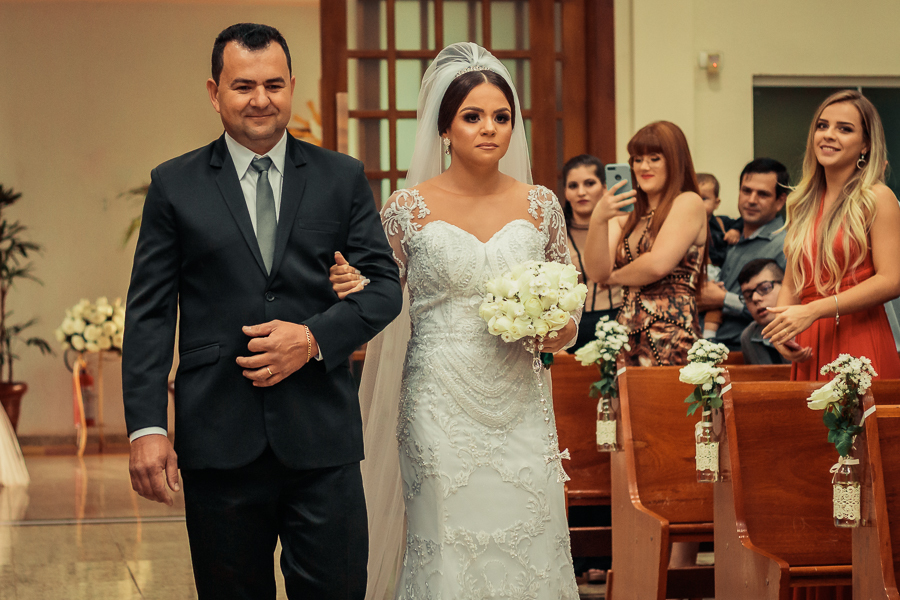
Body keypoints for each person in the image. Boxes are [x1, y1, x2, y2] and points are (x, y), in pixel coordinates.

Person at [122, 23, 403, 600]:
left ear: (292, 86)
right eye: (243, 85)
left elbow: (383, 288)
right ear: (214, 91)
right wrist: (148, 427)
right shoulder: (174, 185)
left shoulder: (339, 176)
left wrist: (313, 337)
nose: (260, 99)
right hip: (218, 434)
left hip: (321, 435)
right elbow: (149, 312)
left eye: (274, 84)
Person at [331, 43, 580, 600]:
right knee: (446, 536)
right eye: (472, 117)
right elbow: (377, 292)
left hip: (520, 398)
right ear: (444, 128)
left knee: (530, 527)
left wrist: (554, 330)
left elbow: (569, 306)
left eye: (501, 117)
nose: (489, 129)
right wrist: (354, 285)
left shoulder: (541, 206)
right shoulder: (406, 208)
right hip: (438, 399)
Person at [763, 89, 900, 380]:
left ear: (865, 145)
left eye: (844, 129)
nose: (828, 135)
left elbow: (892, 280)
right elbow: (792, 282)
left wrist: (814, 310)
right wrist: (781, 330)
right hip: (810, 340)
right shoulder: (801, 202)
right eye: (822, 126)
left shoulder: (877, 197)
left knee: (855, 426)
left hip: (860, 336)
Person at [583, 121, 708, 367]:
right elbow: (597, 272)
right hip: (625, 335)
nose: (644, 167)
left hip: (672, 335)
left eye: (654, 158)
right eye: (637, 159)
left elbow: (657, 265)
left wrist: (614, 277)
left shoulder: (688, 202)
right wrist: (599, 218)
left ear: (675, 161)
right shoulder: (626, 215)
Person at [698, 158, 790, 351]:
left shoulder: (785, 245)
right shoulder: (725, 236)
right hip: (705, 348)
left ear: (780, 200)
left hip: (748, 354)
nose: (751, 200)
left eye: (763, 194)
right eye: (746, 191)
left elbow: (785, 312)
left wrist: (724, 299)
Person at [562, 154, 622, 351]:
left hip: (618, 321)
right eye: (573, 186)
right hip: (569, 327)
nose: (581, 192)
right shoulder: (555, 231)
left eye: (589, 183)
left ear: (604, 188)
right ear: (566, 192)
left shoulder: (622, 224)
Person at [737, 258, 788, 365]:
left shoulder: (808, 324)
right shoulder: (748, 337)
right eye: (748, 296)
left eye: (764, 288)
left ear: (785, 286)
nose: (755, 298)